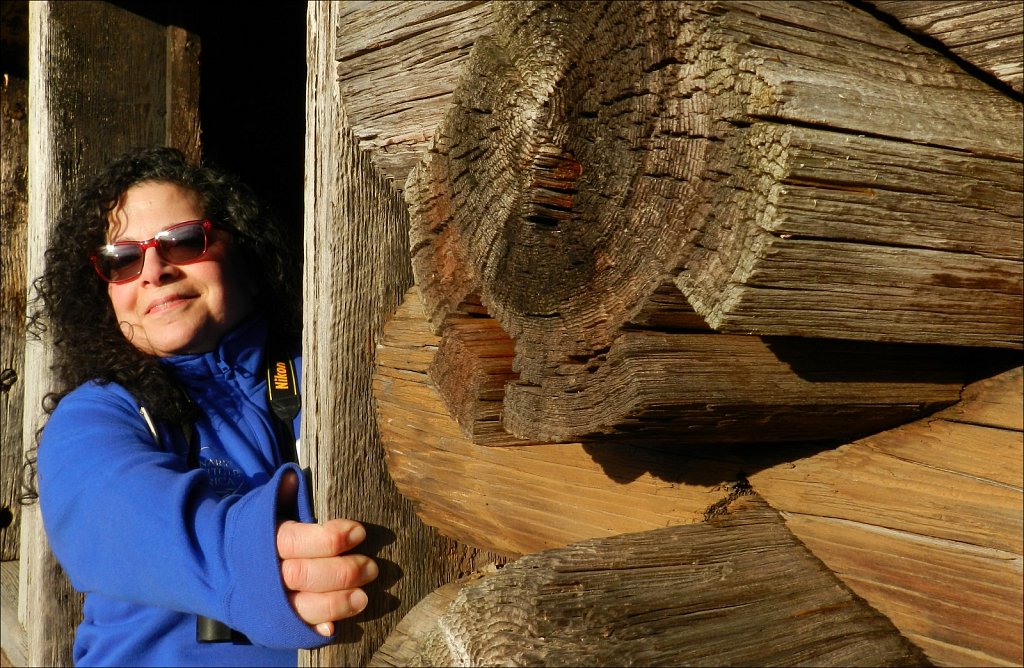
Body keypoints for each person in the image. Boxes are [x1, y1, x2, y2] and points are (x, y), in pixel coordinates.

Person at [27, 146, 377, 666]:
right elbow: (119, 516)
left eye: (184, 241)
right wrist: (257, 563)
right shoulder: (96, 416)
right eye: (121, 260)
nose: (153, 271)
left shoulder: (330, 377)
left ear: (246, 255)